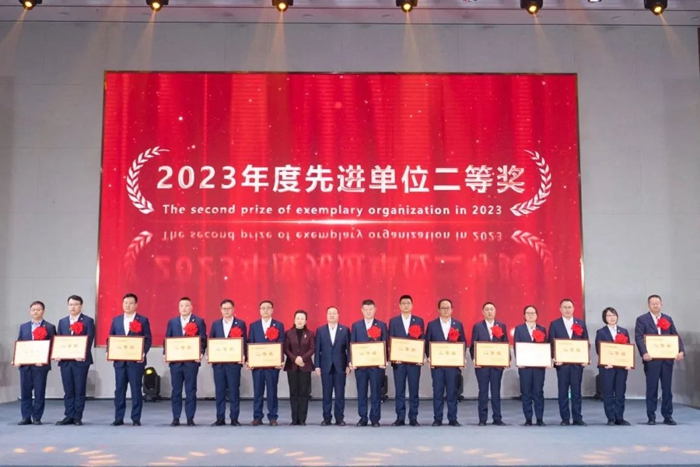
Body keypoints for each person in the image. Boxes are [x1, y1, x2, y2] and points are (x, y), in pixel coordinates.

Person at [634, 294, 685, 425]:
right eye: (653, 304)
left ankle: (668, 416)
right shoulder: (642, 319)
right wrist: (644, 353)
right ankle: (651, 416)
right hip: (652, 360)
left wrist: (681, 351)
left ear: (661, 304)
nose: (655, 305)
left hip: (667, 360)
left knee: (667, 388)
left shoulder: (668, 318)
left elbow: (675, 336)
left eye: (657, 303)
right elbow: (639, 337)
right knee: (652, 388)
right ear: (648, 305)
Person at [108, 293, 152, 426]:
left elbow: (148, 339)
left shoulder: (142, 320)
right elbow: (111, 338)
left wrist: (142, 353)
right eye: (125, 303)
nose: (128, 305)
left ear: (136, 305)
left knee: (136, 390)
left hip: (136, 363)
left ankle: (136, 418)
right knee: (119, 390)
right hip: (120, 362)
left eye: (131, 303)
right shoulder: (116, 320)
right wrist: (109, 351)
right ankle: (118, 417)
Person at [164, 297, 207, 427]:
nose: (184, 308)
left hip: (191, 363)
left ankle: (190, 418)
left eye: (187, 305)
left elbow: (203, 340)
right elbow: (167, 339)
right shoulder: (172, 322)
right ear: (179, 308)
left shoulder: (198, 321)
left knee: (191, 390)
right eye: (181, 306)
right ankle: (176, 417)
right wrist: (166, 354)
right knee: (176, 391)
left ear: (191, 307)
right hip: (176, 363)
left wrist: (200, 353)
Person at [425, 298, 467, 427]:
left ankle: (452, 418)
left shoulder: (458, 324)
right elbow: (427, 343)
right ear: (438, 310)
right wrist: (429, 356)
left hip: (452, 366)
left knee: (452, 392)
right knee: (437, 391)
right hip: (437, 365)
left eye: (448, 308)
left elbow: (463, 342)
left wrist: (461, 358)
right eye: (443, 308)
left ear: (452, 309)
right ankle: (437, 419)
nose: (446, 310)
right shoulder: (432, 325)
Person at [548, 298, 589, 426]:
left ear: (573, 309)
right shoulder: (555, 324)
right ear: (560, 309)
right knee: (563, 391)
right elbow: (551, 343)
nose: (567, 309)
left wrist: (585, 358)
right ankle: (565, 418)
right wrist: (554, 358)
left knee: (576, 392)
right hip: (562, 365)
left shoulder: (580, 324)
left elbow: (585, 342)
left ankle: (577, 417)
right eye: (565, 307)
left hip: (577, 364)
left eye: (569, 307)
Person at [56, 295, 95, 426]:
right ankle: (68, 415)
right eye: (71, 304)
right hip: (66, 361)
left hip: (80, 361)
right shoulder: (63, 322)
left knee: (79, 389)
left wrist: (82, 353)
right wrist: (58, 353)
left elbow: (89, 339)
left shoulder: (88, 321)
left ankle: (77, 416)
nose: (73, 307)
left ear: (81, 306)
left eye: (76, 304)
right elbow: (60, 340)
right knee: (68, 389)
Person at [15, 301, 56, 425]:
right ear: (30, 311)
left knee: (39, 391)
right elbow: (20, 343)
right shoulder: (24, 326)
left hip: (40, 365)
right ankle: (26, 417)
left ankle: (37, 417)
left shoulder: (50, 327)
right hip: (25, 365)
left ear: (43, 311)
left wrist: (44, 359)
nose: (35, 312)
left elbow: (53, 346)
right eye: (33, 310)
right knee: (25, 392)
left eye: (38, 309)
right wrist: (17, 359)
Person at [470, 302, 509, 426]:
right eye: (487, 309)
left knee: (496, 391)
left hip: (497, 366)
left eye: (491, 309)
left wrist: (507, 359)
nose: (489, 311)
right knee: (483, 391)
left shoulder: (501, 326)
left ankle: (497, 418)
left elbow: (505, 344)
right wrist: (474, 359)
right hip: (482, 366)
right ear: (483, 312)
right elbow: (473, 346)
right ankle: (482, 419)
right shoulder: (477, 326)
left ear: (495, 311)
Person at [208, 298, 247, 426]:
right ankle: (220, 418)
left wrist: (244, 356)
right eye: (224, 309)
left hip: (233, 364)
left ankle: (234, 418)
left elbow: (244, 342)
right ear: (220, 310)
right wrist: (210, 356)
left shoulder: (240, 324)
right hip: (219, 364)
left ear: (233, 309)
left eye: (229, 308)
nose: (226, 311)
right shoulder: (216, 324)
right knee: (220, 391)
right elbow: (211, 341)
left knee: (234, 391)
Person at [388, 295, 425, 426]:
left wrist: (421, 356)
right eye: (403, 303)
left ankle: (413, 417)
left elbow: (422, 340)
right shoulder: (393, 321)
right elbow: (390, 340)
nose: (406, 305)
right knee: (399, 390)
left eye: (408, 303)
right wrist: (392, 357)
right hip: (399, 363)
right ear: (399, 306)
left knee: (414, 390)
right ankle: (400, 417)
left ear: (412, 305)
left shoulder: (418, 321)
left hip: (414, 363)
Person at [350, 299, 388, 427]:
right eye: (366, 310)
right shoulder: (356, 326)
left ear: (375, 310)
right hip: (360, 366)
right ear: (362, 310)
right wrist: (352, 361)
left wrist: (385, 360)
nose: (368, 312)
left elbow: (385, 344)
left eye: (370, 309)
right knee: (361, 392)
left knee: (376, 393)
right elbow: (352, 344)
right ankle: (363, 418)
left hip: (376, 366)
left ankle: (375, 418)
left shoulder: (381, 325)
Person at [248, 300, 285, 426]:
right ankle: (257, 416)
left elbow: (281, 343)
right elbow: (250, 343)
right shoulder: (254, 325)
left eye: (268, 308)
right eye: (263, 308)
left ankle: (273, 416)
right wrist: (249, 361)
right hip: (257, 365)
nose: (265, 310)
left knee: (272, 391)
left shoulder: (278, 325)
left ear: (272, 310)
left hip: (272, 365)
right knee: (257, 391)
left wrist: (280, 360)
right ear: (259, 310)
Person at [314, 306, 351, 426]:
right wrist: (317, 365)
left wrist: (348, 364)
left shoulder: (345, 330)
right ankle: (327, 418)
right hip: (325, 366)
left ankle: (339, 418)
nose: (332, 315)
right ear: (326, 316)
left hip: (340, 366)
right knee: (326, 394)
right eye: (329, 313)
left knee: (340, 394)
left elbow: (349, 349)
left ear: (338, 315)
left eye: (334, 313)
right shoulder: (320, 330)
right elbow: (317, 349)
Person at [595, 307, 631, 426]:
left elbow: (627, 349)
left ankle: (620, 417)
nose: (612, 318)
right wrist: (606, 361)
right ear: (604, 318)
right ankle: (610, 417)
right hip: (607, 367)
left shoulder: (623, 331)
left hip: (621, 367)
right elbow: (599, 349)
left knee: (620, 392)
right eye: (609, 316)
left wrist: (628, 362)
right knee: (608, 392)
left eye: (614, 315)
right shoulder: (601, 332)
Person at [513, 305, 547, 426]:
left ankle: (539, 418)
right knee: (526, 392)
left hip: (538, 367)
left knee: (538, 392)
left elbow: (545, 346)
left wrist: (546, 360)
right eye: (528, 313)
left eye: (533, 313)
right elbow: (516, 346)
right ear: (524, 315)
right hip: (525, 367)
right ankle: (528, 418)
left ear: (537, 315)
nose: (530, 315)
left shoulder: (542, 329)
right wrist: (519, 361)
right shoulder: (519, 329)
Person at [284, 310, 315, 426]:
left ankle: (302, 419)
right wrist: (294, 359)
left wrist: (302, 358)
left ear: (305, 321)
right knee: (293, 393)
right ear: (294, 320)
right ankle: (294, 419)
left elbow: (312, 348)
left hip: (305, 366)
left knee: (304, 393)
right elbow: (286, 349)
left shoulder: (310, 333)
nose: (300, 320)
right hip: (292, 366)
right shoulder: (288, 333)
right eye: (298, 318)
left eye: (302, 318)